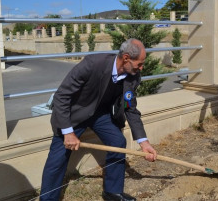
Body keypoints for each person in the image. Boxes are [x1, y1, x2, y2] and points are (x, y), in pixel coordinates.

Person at [40, 38, 157, 201]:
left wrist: (143, 142)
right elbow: (62, 96)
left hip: (99, 115)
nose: (142, 67)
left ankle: (112, 192)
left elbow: (130, 108)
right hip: (73, 115)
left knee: (118, 142)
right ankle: (48, 199)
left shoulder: (133, 76)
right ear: (126, 58)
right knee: (57, 158)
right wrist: (68, 132)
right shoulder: (93, 64)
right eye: (140, 63)